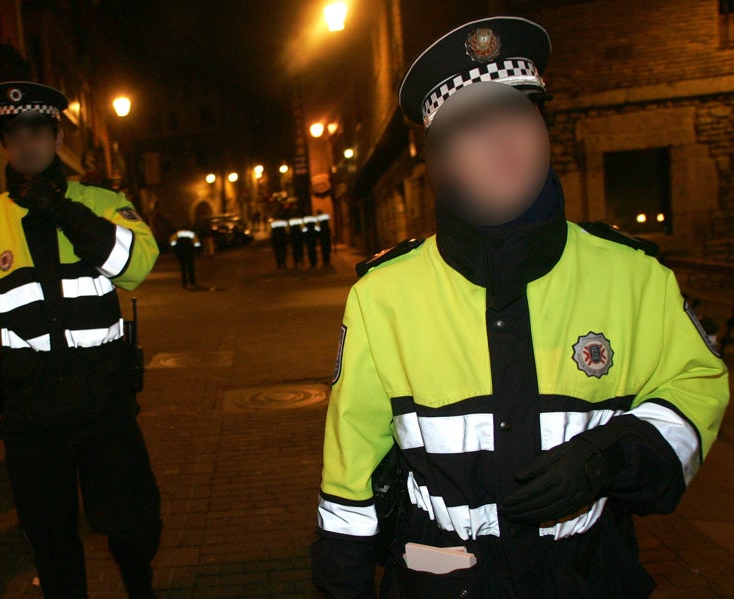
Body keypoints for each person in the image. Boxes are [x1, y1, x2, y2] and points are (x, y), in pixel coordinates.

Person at [312, 16, 729, 599]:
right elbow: (348, 476)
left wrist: (607, 459)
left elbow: (697, 389)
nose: (501, 140)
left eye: (516, 112)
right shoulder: (382, 297)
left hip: (588, 578)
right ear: (438, 161)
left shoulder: (635, 276)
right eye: (468, 127)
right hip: (441, 581)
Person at [0, 81, 161, 598]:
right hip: (31, 410)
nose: (26, 143)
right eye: (14, 132)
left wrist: (63, 210)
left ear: (57, 135)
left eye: (37, 130)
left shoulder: (104, 204)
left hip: (104, 401)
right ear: (3, 141)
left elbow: (135, 264)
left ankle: (140, 586)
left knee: (135, 524)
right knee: (48, 536)